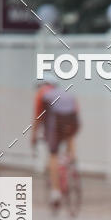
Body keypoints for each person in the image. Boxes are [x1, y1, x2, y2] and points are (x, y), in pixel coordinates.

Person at [32, 79, 80, 207]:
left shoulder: (41, 95)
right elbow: (75, 113)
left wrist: (33, 136)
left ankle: (55, 192)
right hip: (73, 123)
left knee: (53, 154)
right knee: (69, 134)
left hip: (55, 126)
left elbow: (38, 118)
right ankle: (70, 159)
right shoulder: (66, 94)